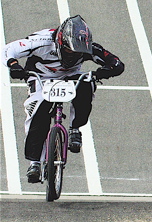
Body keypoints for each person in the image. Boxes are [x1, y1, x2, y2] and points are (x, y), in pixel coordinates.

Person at [2, 15, 124, 182]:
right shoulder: (41, 41)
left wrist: (104, 72)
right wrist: (14, 66)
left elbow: (116, 63)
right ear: (60, 43)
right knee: (37, 109)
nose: (73, 55)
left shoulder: (88, 48)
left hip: (70, 77)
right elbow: (9, 49)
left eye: (78, 53)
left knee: (87, 83)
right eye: (69, 51)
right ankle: (35, 162)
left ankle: (75, 128)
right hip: (40, 77)